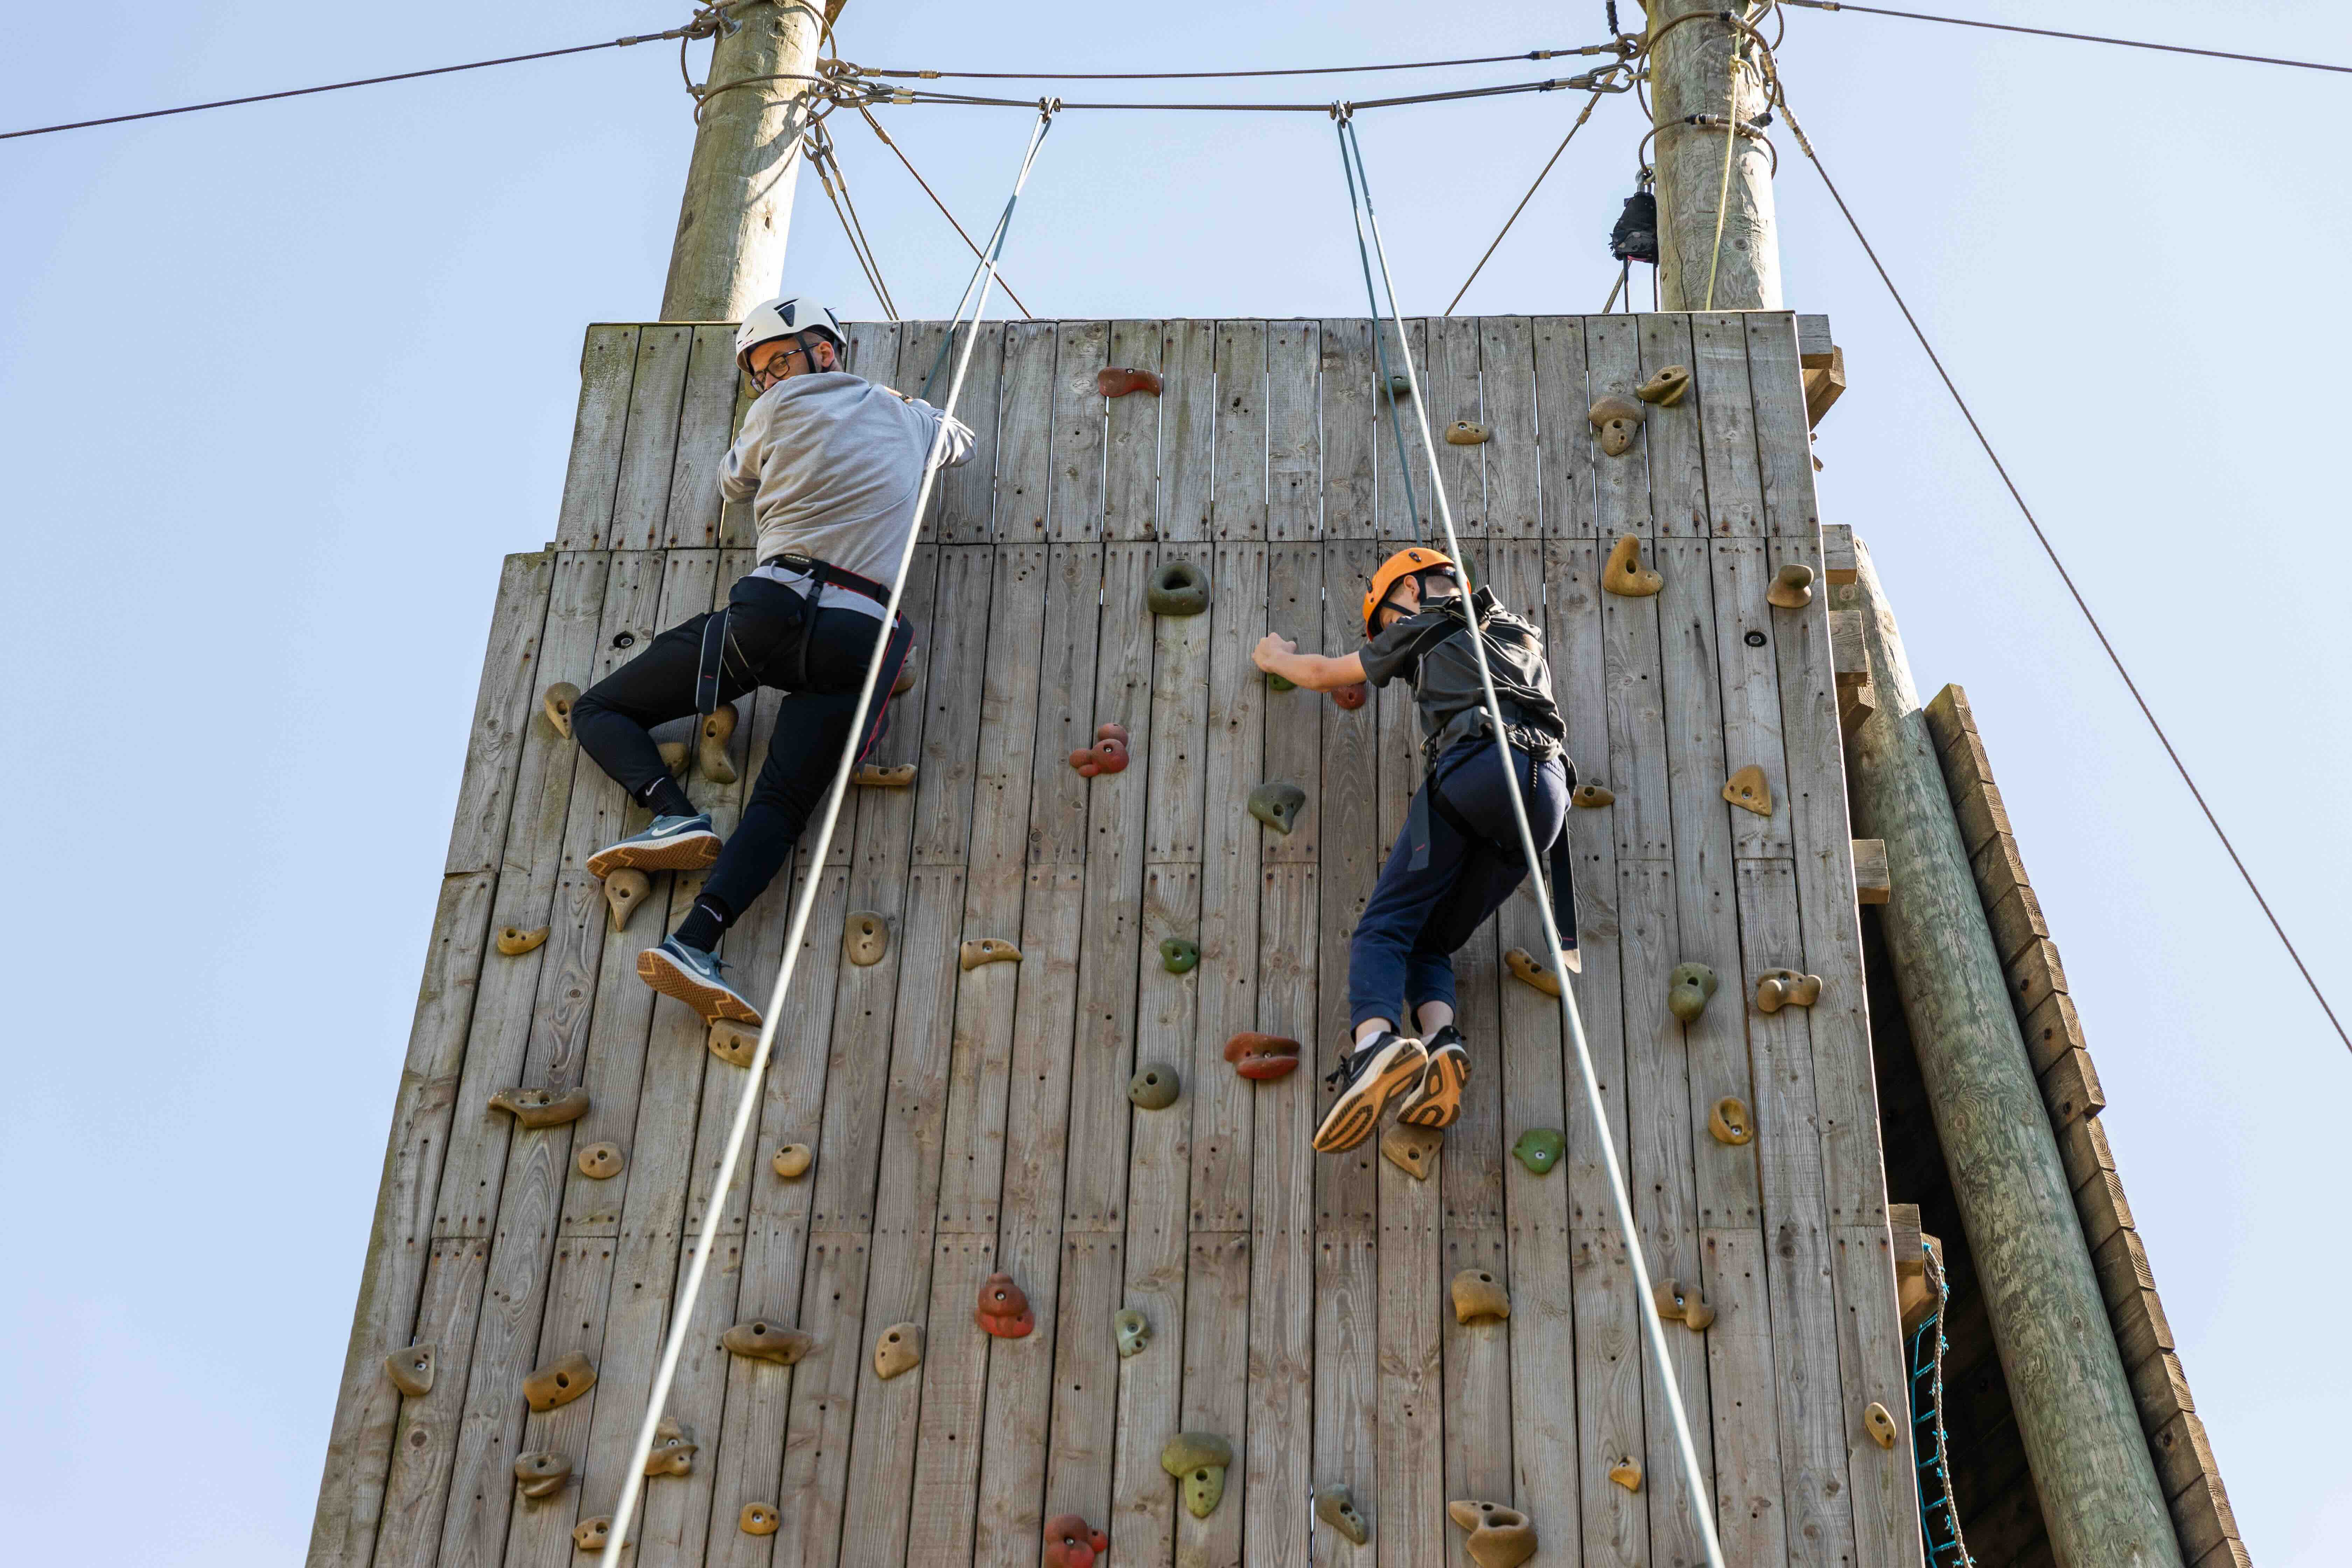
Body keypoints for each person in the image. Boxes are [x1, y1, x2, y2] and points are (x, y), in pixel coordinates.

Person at [569, 296, 974, 1027]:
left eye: (777, 363)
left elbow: (733, 483)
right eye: (761, 373)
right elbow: (960, 441)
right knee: (783, 809)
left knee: (599, 708)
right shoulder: (908, 418)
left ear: (824, 352)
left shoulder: (773, 415)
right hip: (859, 632)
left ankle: (672, 813)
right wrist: (912, 412)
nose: (770, 381)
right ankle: (696, 940)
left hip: (772, 609)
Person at [1252, 546, 1579, 1155]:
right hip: (1548, 798)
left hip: (1480, 767)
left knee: (1383, 929)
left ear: (1411, 590)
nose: (1387, 633)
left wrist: (1274, 657)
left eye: (1385, 619)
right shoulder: (1518, 629)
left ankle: (1375, 1044)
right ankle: (1441, 1046)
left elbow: (1326, 674)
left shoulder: (1424, 624)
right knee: (1431, 941)